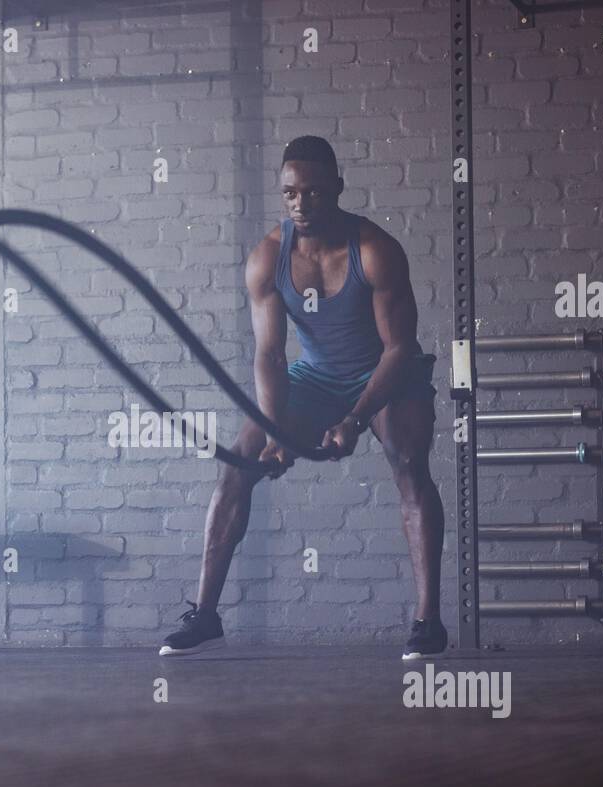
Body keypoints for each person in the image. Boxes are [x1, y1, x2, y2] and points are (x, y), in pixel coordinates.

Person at [161, 136, 447, 660]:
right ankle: (204, 616)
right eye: (291, 193)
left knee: (409, 463)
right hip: (315, 378)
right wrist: (275, 432)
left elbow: (399, 347)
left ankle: (428, 622)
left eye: (314, 192)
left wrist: (356, 420)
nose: (301, 204)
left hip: (386, 375)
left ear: (337, 188)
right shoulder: (268, 258)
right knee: (237, 464)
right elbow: (269, 357)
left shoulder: (375, 250)